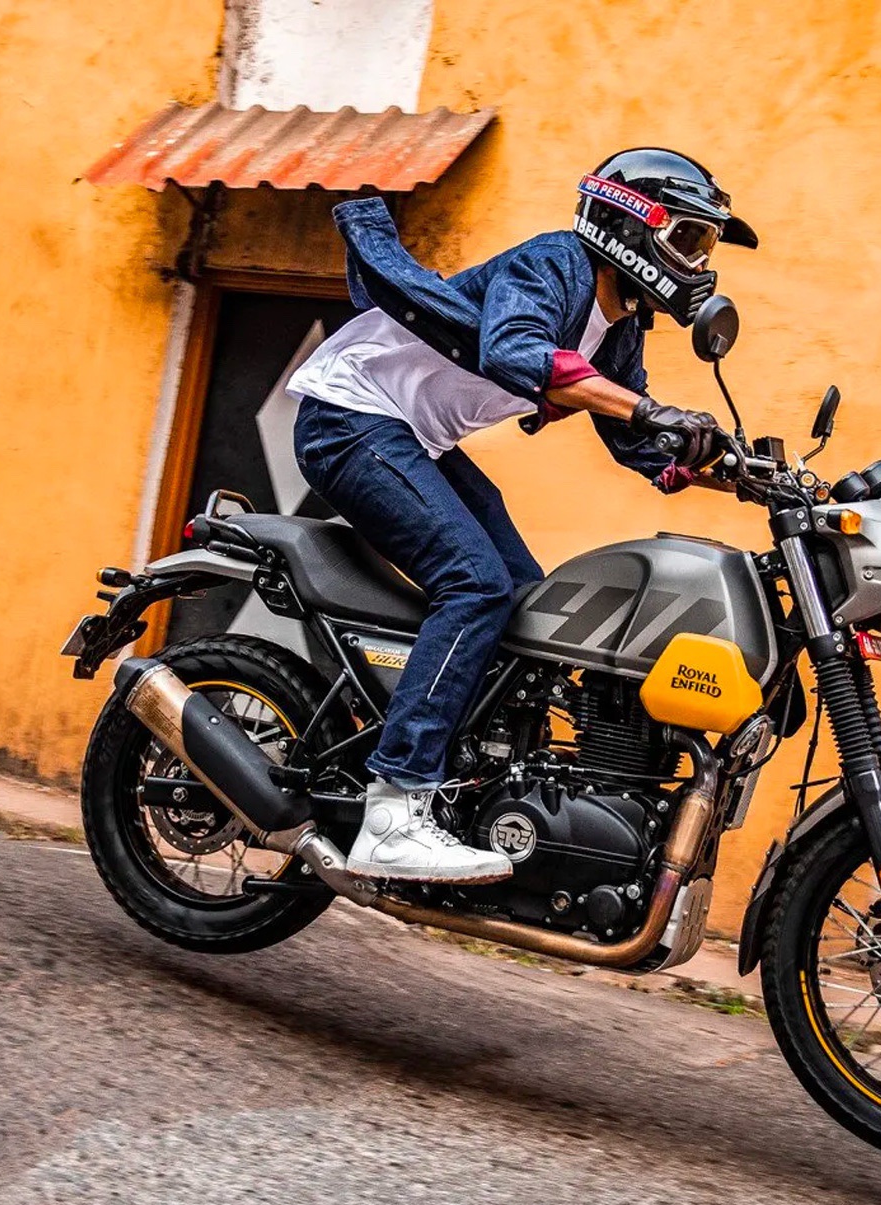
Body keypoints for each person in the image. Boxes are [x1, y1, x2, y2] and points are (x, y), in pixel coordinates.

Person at [286, 148, 758, 883]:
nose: (700, 265)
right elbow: (516, 352)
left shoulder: (620, 325)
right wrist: (647, 407)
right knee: (475, 584)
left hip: (413, 435)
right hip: (351, 417)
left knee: (523, 597)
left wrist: (738, 472)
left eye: (706, 248)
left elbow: (640, 443)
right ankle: (393, 808)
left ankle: (459, 776)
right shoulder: (555, 265)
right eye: (689, 241)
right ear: (629, 226)